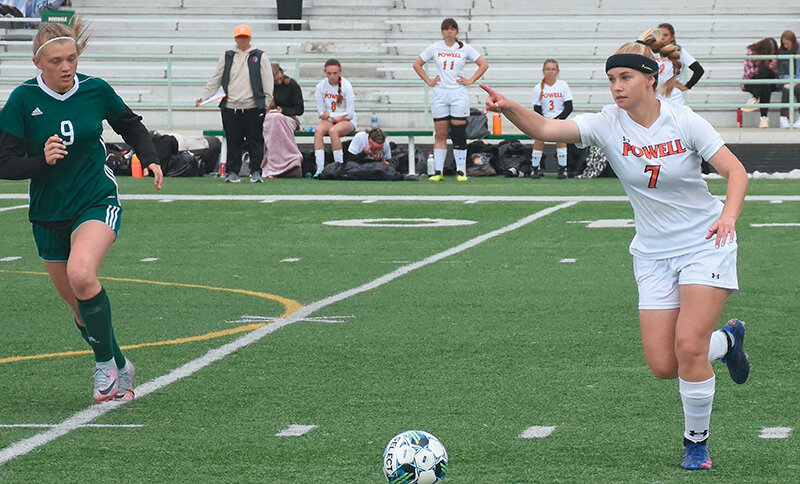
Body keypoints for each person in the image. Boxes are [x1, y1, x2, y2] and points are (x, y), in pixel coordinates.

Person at [482, 27, 751, 471]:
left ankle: (695, 444)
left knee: (688, 345)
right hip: (652, 253)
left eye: (625, 77)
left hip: (705, 243)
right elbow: (548, 128)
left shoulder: (683, 120)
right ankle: (729, 340)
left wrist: (728, 217)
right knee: (665, 365)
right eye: (612, 79)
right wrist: (510, 107)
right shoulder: (607, 122)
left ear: (650, 78)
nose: (617, 87)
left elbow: (736, 172)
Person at [0, 19, 164, 403]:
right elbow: (4, 163)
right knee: (79, 305)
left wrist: (151, 157)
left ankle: (104, 364)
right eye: (56, 60)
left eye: (71, 58)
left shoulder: (95, 90)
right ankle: (120, 365)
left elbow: (131, 125)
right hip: (47, 212)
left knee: (81, 273)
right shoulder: (22, 100)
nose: (66, 67)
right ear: (38, 62)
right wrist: (40, 161)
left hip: (95, 198)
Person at [413, 18, 489, 182]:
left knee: (458, 132)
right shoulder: (435, 47)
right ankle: (438, 171)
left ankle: (461, 171)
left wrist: (470, 80)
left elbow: (483, 64)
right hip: (440, 94)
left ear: (456, 31)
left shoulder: (464, 48)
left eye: (452, 29)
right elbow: (417, 64)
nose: (449, 32)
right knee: (440, 134)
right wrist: (429, 81)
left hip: (458, 94)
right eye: (446, 29)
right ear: (442, 31)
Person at [196, 24, 273, 183]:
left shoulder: (260, 56)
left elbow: (267, 80)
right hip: (231, 106)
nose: (242, 40)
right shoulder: (227, 56)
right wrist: (204, 96)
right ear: (235, 38)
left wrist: (266, 101)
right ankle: (233, 172)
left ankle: (256, 172)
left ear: (249, 38)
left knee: (255, 141)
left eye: (244, 37)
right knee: (233, 141)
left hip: (252, 106)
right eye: (239, 37)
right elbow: (216, 79)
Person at [530, 59, 573, 179]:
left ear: (557, 71)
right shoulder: (538, 88)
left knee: (561, 138)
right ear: (543, 71)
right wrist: (544, 121)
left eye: (553, 69)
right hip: (544, 120)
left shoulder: (563, 85)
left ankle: (562, 168)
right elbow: (537, 108)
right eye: (548, 69)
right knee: (539, 139)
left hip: (559, 119)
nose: (550, 72)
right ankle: (535, 168)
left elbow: (569, 107)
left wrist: (558, 119)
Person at [313, 59, 356, 177]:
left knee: (333, 131)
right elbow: (321, 113)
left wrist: (332, 116)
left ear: (340, 72)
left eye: (335, 73)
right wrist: (335, 117)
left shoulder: (347, 86)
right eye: (329, 73)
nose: (332, 76)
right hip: (332, 120)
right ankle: (320, 167)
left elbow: (350, 114)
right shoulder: (321, 86)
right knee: (318, 130)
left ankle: (339, 165)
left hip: (347, 121)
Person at [261, 63, 304, 178]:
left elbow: (299, 109)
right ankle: (278, 163)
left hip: (289, 118)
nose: (279, 82)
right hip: (270, 118)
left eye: (280, 79)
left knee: (276, 119)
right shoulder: (264, 87)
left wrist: (283, 110)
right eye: (275, 81)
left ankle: (287, 160)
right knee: (272, 119)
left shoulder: (292, 85)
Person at [657, 23, 705, 104]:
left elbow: (699, 70)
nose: (662, 38)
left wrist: (686, 86)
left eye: (665, 35)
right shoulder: (652, 51)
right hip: (655, 95)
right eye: (660, 35)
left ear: (672, 37)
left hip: (673, 96)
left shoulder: (679, 51)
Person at [741, 37, 779, 128]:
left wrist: (773, 69)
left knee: (766, 75)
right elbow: (748, 73)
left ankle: (754, 99)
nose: (772, 54)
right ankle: (763, 118)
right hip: (752, 81)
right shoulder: (752, 53)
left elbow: (779, 75)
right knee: (766, 85)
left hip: (770, 80)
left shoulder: (775, 56)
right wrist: (758, 69)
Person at [776, 30, 800, 128]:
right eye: (783, 44)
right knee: (786, 89)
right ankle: (783, 117)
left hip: (797, 79)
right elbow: (781, 71)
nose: (785, 46)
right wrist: (788, 81)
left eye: (787, 44)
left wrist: (794, 82)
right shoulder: (781, 52)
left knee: (798, 89)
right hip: (786, 78)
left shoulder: (798, 51)